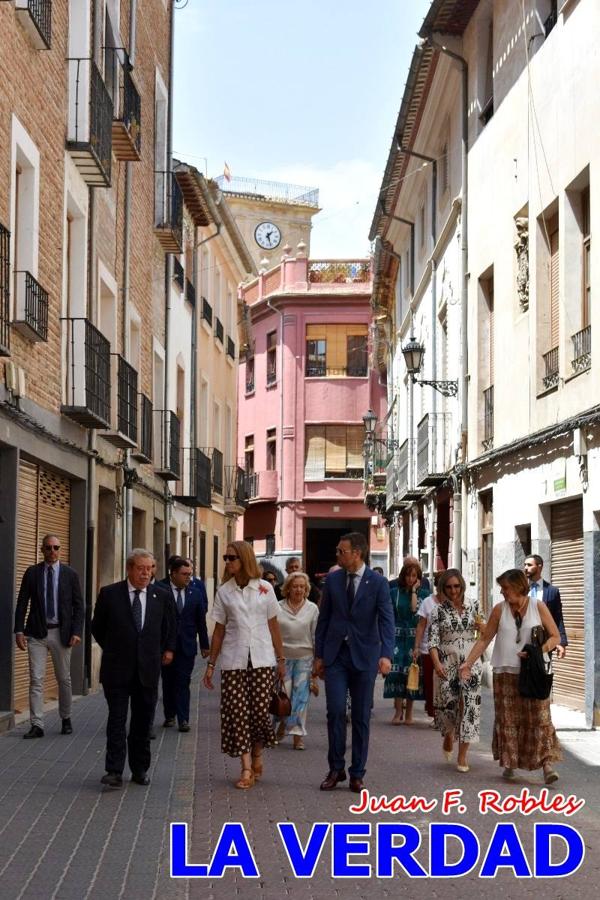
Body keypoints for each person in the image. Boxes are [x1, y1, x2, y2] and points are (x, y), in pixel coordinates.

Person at [460, 568, 561, 784]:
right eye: (502, 588)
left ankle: (546, 765)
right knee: (508, 720)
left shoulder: (537, 606)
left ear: (518, 586)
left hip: (532, 673)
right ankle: (509, 763)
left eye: (505, 588)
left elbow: (555, 637)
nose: (503, 592)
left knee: (539, 718)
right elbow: (484, 639)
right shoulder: (499, 609)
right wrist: (467, 663)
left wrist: (537, 651)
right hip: (504, 673)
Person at [313, 532, 394, 793]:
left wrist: (386, 655)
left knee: (360, 717)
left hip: (365, 657)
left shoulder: (378, 583)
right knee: (335, 711)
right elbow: (323, 620)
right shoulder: (333, 581)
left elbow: (386, 620)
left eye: (341, 551)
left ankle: (357, 772)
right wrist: (319, 655)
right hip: (336, 655)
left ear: (357, 553)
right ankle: (335, 769)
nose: (337, 555)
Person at [203, 541, 286, 790]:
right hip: (233, 660)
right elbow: (218, 630)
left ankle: (258, 753)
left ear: (245, 559)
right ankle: (246, 767)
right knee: (237, 714)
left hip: (262, 659)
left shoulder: (265, 589)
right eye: (225, 558)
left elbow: (274, 627)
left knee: (260, 713)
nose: (227, 562)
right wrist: (210, 665)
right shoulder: (224, 592)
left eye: (232, 558)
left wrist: (281, 660)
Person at [91, 549, 176, 788]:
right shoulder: (110, 594)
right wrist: (116, 648)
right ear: (129, 569)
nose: (145, 573)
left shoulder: (162, 595)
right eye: (140, 568)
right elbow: (97, 627)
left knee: (142, 721)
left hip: (147, 670)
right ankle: (114, 771)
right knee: (117, 720)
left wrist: (168, 650)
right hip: (117, 669)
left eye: (149, 568)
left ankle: (140, 769)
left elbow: (169, 627)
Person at [14, 534, 84, 739]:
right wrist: (19, 630)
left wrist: (76, 632)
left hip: (61, 633)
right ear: (42, 549)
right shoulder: (32, 573)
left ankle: (66, 717)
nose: (52, 551)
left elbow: (79, 606)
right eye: (48, 547)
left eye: (56, 547)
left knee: (64, 678)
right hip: (36, 633)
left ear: (60, 550)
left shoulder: (70, 574)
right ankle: (37, 724)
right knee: (36, 679)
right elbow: (22, 603)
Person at [428, 569, 483, 772]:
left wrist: (481, 626)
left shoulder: (474, 606)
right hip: (446, 661)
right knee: (448, 707)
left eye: (457, 586)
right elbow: (432, 642)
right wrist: (437, 664)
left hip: (470, 662)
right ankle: (449, 734)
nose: (453, 591)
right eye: (449, 587)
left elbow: (485, 634)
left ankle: (463, 755)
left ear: (462, 586)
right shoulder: (437, 611)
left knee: (469, 706)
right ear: (443, 588)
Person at [160, 557, 209, 732]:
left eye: (190, 574)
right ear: (173, 574)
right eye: (184, 574)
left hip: (187, 645)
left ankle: (183, 719)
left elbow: (200, 621)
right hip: (165, 646)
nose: (188, 577)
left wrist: (204, 644)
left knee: (183, 681)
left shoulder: (194, 593)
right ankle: (170, 715)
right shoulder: (160, 589)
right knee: (168, 681)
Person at [276, 571, 319, 750]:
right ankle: (282, 725)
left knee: (300, 698)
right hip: (283, 658)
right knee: (284, 696)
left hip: (304, 658)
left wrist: (317, 662)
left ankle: (297, 736)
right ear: (288, 588)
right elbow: (273, 633)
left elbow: (316, 635)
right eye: (295, 586)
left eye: (302, 586)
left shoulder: (312, 609)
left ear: (306, 589)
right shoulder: (277, 607)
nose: (299, 589)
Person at [384, 560, 428, 725]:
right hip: (396, 637)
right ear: (403, 576)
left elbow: (414, 610)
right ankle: (397, 711)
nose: (410, 579)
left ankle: (409, 712)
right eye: (408, 575)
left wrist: (415, 591)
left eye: (414, 576)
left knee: (412, 674)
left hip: (413, 638)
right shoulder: (394, 592)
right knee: (396, 674)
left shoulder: (424, 593)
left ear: (418, 578)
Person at [523, 555, 567, 658]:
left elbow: (558, 618)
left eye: (529, 565)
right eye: (524, 565)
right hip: (522, 642)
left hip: (544, 642)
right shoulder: (520, 590)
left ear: (539, 567)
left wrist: (561, 642)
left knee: (543, 672)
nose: (525, 568)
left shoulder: (552, 591)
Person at [412, 579, 441, 722]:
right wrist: (417, 646)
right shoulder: (427, 602)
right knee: (430, 683)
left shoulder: (455, 602)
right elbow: (421, 625)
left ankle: (445, 714)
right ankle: (434, 714)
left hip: (447, 649)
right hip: (428, 649)